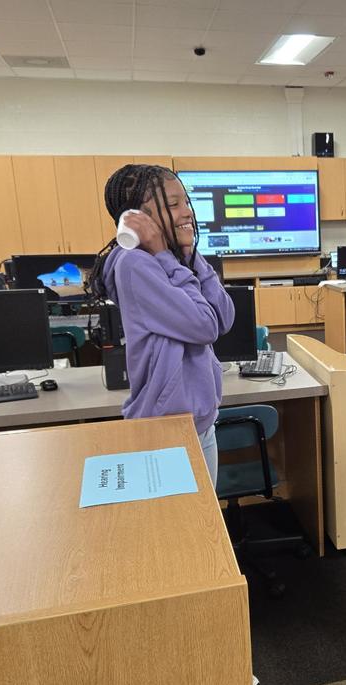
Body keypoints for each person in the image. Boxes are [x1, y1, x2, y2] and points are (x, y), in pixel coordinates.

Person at [87, 163, 234, 485]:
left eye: (185, 202)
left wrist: (190, 254)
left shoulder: (172, 258)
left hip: (196, 419)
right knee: (186, 529)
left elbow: (223, 317)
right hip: (168, 424)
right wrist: (169, 258)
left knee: (200, 524)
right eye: (172, 204)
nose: (186, 213)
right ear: (137, 216)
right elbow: (204, 326)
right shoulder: (134, 263)